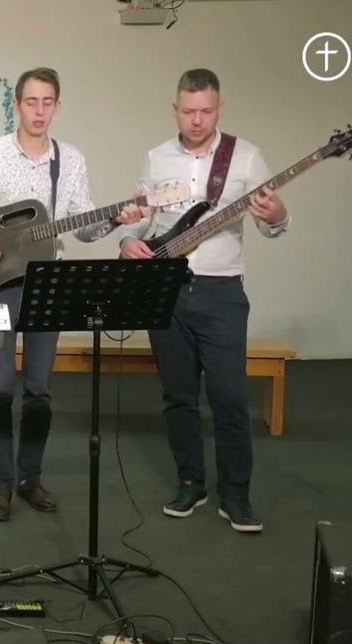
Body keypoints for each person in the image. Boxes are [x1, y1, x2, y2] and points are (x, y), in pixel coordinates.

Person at [0, 67, 141, 522]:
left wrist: (117, 218)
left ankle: (30, 478)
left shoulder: (70, 161)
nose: (39, 111)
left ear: (58, 106)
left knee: (39, 390)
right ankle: (1, 484)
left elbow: (83, 226)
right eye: (31, 102)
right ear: (17, 105)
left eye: (47, 102)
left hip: (47, 284)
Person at [115, 69, 290, 534]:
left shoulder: (246, 157)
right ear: (175, 110)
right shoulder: (156, 159)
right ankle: (190, 482)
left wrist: (278, 215)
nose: (197, 120)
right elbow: (141, 219)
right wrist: (128, 241)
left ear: (220, 109)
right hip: (166, 289)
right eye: (189, 111)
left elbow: (271, 225)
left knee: (230, 398)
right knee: (178, 397)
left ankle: (236, 495)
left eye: (206, 111)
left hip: (221, 291)